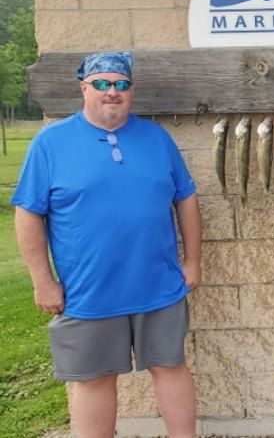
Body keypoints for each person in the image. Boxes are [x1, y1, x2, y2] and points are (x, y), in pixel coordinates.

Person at [11, 51, 202, 438]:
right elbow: (28, 213)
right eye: (101, 84)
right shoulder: (50, 143)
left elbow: (186, 198)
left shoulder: (157, 138)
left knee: (170, 367)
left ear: (130, 91)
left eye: (121, 84)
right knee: (94, 380)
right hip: (88, 291)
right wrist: (42, 280)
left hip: (159, 286)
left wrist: (193, 260)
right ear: (84, 88)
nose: (112, 91)